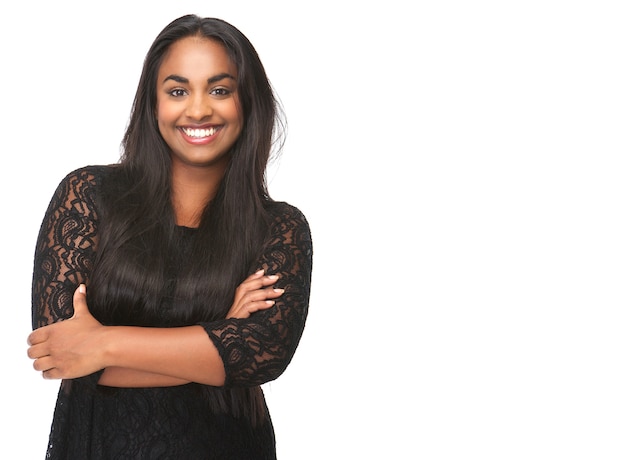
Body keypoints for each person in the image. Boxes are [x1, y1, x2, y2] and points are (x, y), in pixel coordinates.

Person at [26, 14, 313, 459]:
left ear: (247, 102)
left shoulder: (279, 228)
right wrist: (216, 338)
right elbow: (60, 353)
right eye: (178, 91)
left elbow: (261, 355)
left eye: (220, 90)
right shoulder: (89, 195)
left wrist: (103, 343)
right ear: (153, 103)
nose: (198, 110)